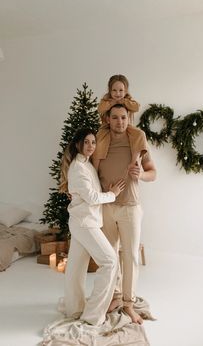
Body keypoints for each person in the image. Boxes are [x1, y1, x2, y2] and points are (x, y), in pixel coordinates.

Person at [94, 104, 156, 324]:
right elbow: (91, 170)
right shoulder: (100, 141)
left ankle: (129, 304)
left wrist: (141, 175)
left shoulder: (136, 140)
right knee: (110, 256)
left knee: (129, 256)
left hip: (130, 206)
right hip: (107, 206)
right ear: (108, 119)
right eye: (115, 118)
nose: (120, 122)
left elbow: (153, 172)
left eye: (124, 117)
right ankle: (115, 296)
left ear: (128, 118)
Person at [59, 128, 125, 326]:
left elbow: (88, 193)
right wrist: (113, 193)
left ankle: (75, 309)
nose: (90, 146)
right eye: (86, 142)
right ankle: (94, 315)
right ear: (78, 144)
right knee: (110, 261)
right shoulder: (78, 168)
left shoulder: (85, 165)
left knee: (76, 268)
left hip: (83, 222)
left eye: (93, 142)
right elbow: (92, 197)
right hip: (85, 224)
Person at [93, 74, 149, 170]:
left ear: (125, 91)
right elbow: (100, 109)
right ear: (110, 91)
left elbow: (136, 107)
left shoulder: (127, 99)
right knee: (99, 141)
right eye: (114, 90)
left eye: (121, 90)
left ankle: (134, 162)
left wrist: (124, 101)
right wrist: (111, 103)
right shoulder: (107, 99)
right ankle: (95, 169)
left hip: (126, 127)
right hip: (107, 128)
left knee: (140, 134)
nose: (117, 94)